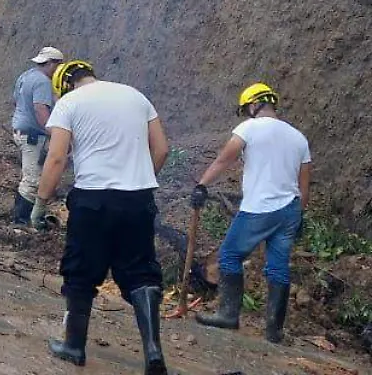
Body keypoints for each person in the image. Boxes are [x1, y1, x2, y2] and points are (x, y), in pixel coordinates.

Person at [30, 60, 170, 374]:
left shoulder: (69, 103)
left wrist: (40, 203)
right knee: (141, 273)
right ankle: (152, 353)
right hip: (138, 199)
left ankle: (74, 347)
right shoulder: (136, 96)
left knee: (81, 271)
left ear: (64, 85)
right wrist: (137, 182)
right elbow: (161, 149)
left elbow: (56, 157)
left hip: (93, 200)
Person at [191, 83, 311, 344]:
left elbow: (224, 159)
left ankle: (228, 314)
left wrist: (202, 184)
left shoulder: (249, 128)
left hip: (259, 208)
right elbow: (304, 185)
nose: (247, 113)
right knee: (278, 266)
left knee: (230, 256)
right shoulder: (298, 137)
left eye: (247, 108)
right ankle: (274, 331)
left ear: (254, 104)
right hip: (290, 209)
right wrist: (299, 215)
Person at [10, 47, 64, 224]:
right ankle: (20, 222)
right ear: (50, 63)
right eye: (58, 65)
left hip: (21, 131)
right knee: (32, 180)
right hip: (32, 136)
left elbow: (16, 101)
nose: (59, 70)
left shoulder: (25, 76)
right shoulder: (42, 82)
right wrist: (55, 133)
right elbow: (40, 109)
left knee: (30, 176)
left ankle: (25, 217)